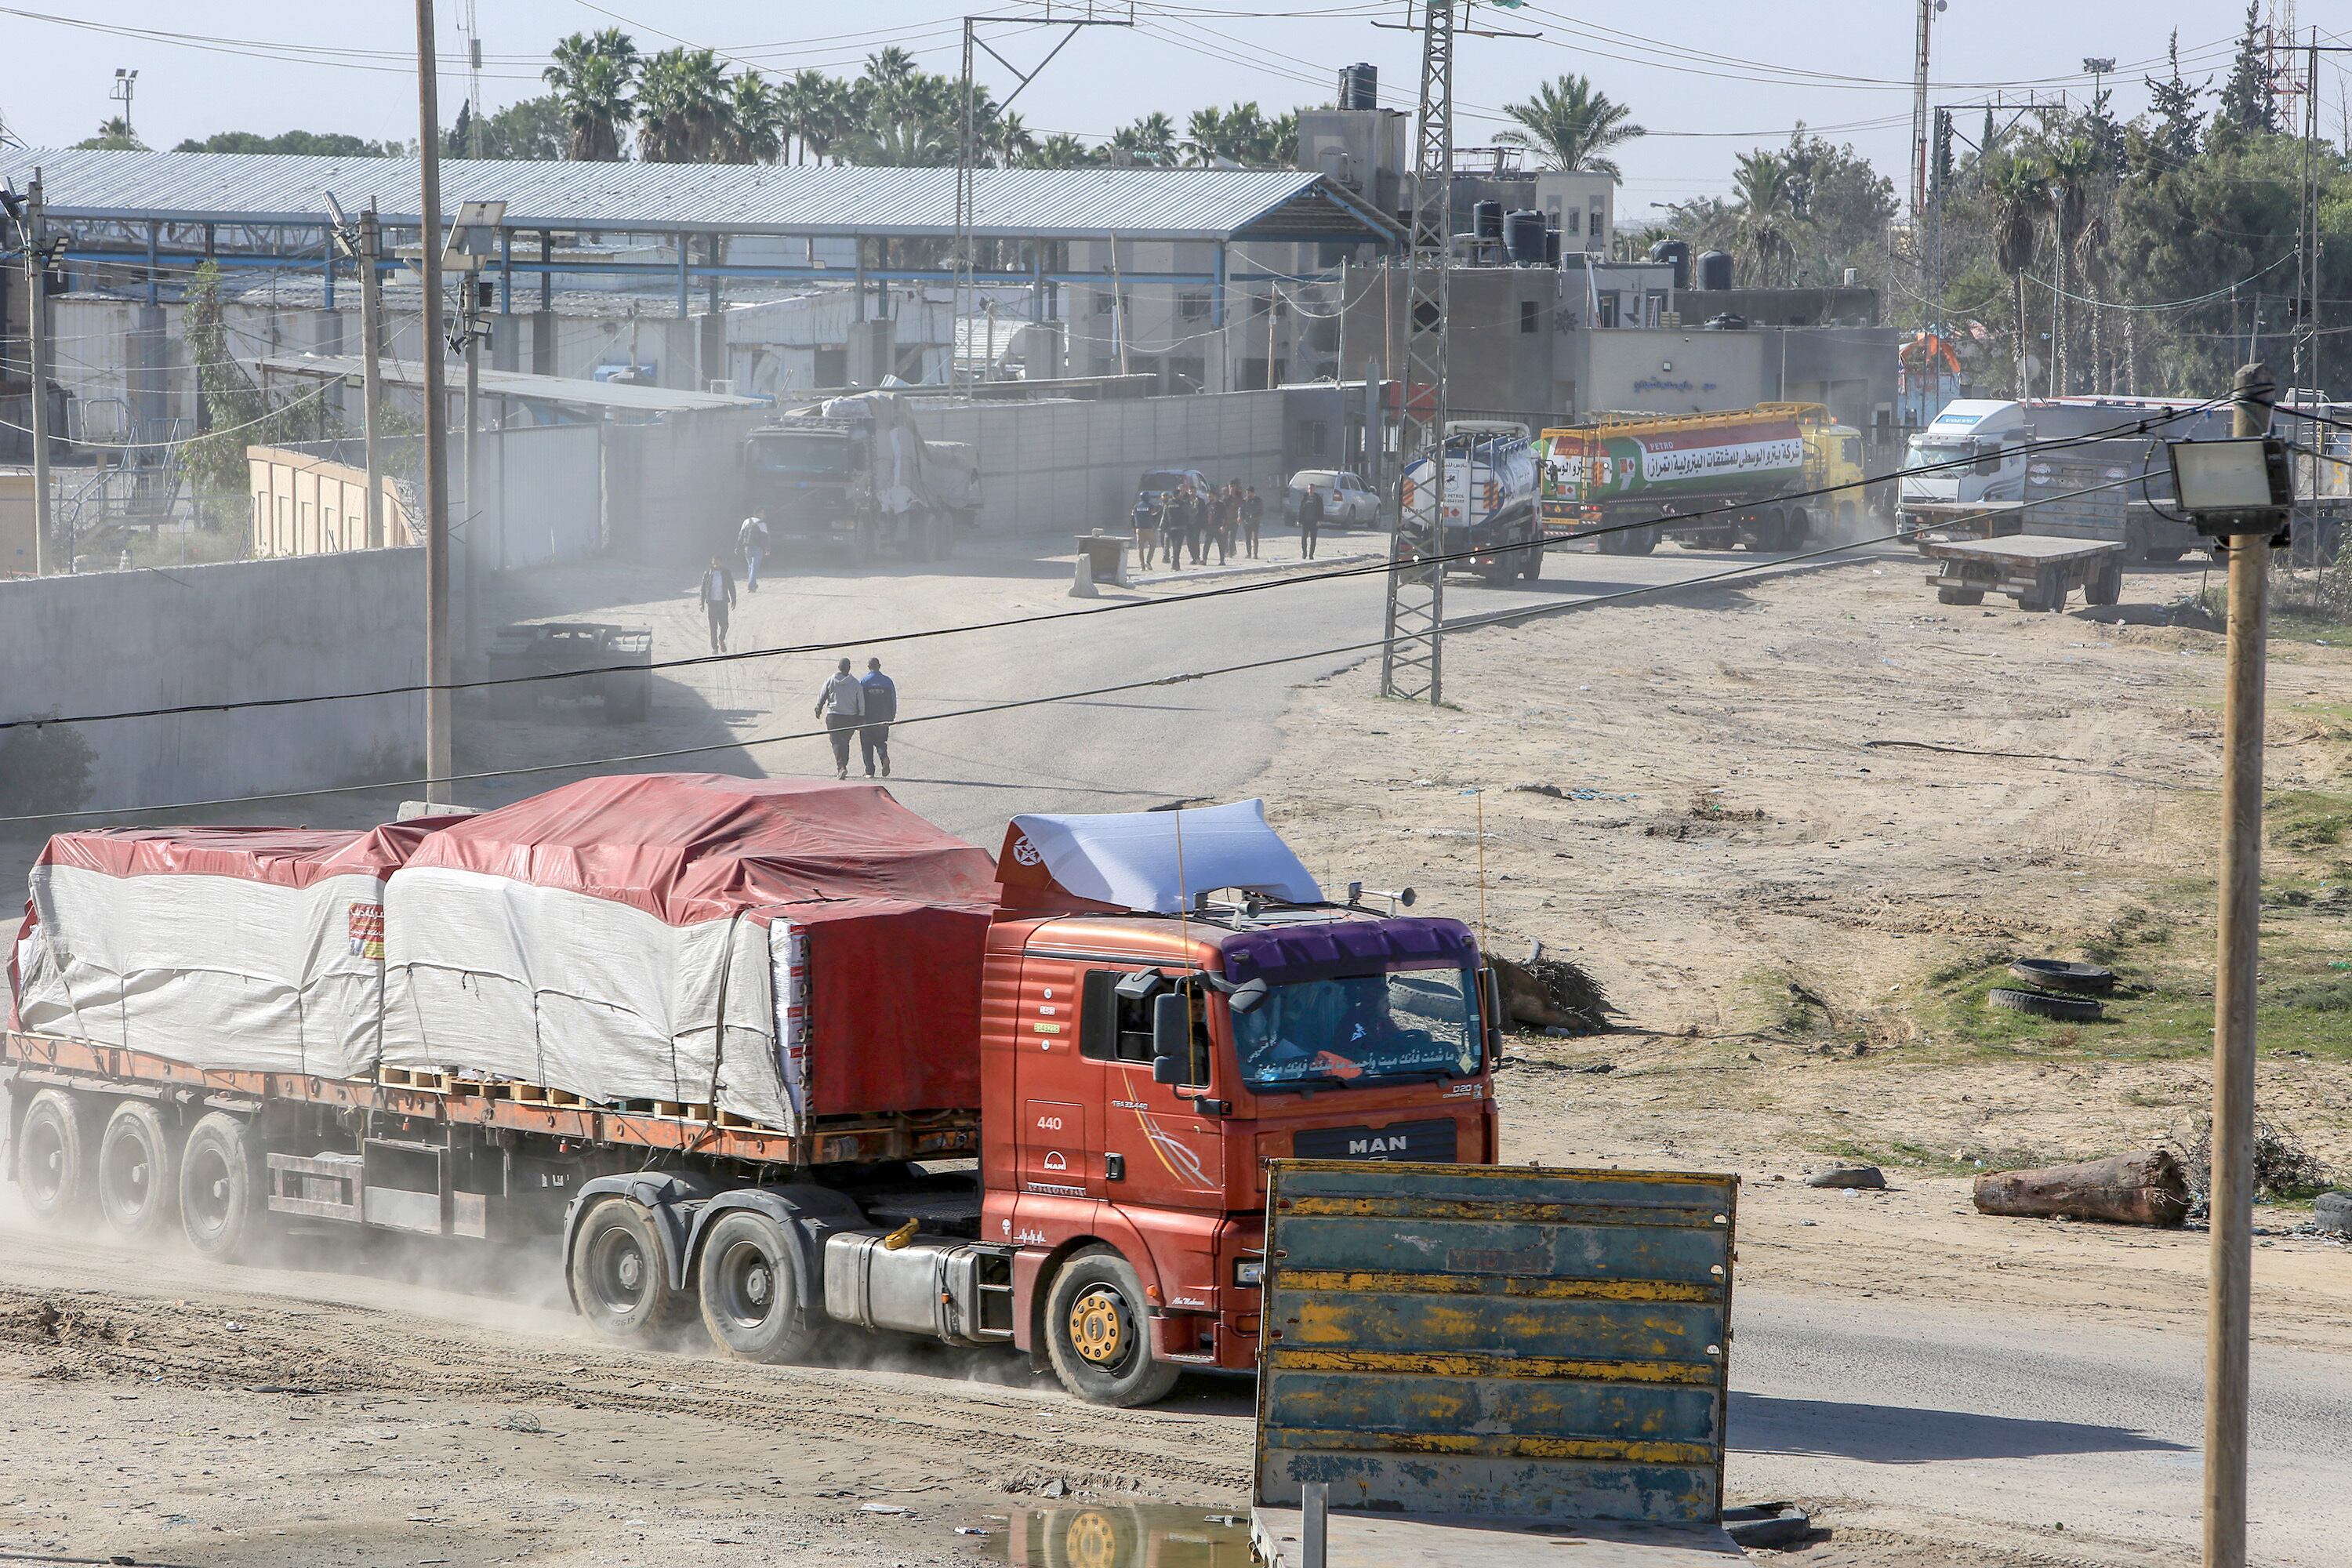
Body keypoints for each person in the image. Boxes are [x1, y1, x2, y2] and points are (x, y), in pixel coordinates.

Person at [813, 657, 866, 779]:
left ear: (838, 668)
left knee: (836, 742)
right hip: (850, 718)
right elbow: (861, 702)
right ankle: (843, 766)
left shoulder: (831, 680)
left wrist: (818, 709)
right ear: (849, 668)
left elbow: (822, 696)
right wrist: (861, 717)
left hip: (834, 717)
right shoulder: (855, 683)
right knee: (845, 742)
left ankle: (841, 767)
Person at [857, 655, 897, 779]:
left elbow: (860, 701)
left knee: (866, 744)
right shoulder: (888, 681)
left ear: (869, 667)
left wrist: (859, 719)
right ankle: (884, 757)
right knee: (880, 741)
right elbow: (893, 700)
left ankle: (870, 771)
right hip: (883, 718)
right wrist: (891, 716)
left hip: (868, 719)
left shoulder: (863, 682)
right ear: (879, 666)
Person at [699, 554, 737, 652]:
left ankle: (721, 639)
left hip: (723, 603)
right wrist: (701, 602)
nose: (716, 565)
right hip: (712, 604)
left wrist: (734, 599)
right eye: (714, 563)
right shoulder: (707, 573)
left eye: (718, 563)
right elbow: (703, 589)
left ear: (721, 563)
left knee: (725, 625)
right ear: (712, 563)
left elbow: (731, 587)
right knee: (713, 626)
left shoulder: (726, 573)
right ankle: (714, 647)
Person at [738, 514, 770, 592]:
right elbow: (766, 536)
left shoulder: (746, 521)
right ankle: (751, 586)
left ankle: (753, 584)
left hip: (747, 548)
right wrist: (767, 548)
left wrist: (738, 547)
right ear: (759, 513)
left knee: (750, 566)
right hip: (758, 548)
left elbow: (741, 534)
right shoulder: (762, 523)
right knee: (754, 567)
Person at [1133, 490, 1163, 575]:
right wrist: (1159, 508)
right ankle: (1148, 561)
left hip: (1139, 529)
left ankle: (1142, 566)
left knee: (1140, 548)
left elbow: (1133, 515)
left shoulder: (1136, 506)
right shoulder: (1150, 506)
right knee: (1153, 545)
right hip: (1148, 529)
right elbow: (1153, 513)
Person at [1297, 480, 1324, 560]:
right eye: (1309, 489)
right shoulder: (1305, 498)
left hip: (1314, 522)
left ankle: (1311, 554)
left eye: (1312, 489)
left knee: (1313, 539)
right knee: (1304, 538)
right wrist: (1299, 520)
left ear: (1314, 489)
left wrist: (1320, 520)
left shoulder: (1318, 499)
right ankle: (1304, 553)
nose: (1310, 490)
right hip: (1305, 522)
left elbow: (1321, 510)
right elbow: (1301, 510)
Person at [1242, 484, 1264, 558]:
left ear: (1253, 493)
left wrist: (1255, 516)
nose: (1248, 494)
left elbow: (1261, 512)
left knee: (1255, 538)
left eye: (1249, 493)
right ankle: (1249, 553)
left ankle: (1255, 553)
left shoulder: (1258, 500)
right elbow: (1241, 510)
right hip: (1247, 522)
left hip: (1255, 522)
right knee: (1247, 539)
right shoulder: (1245, 501)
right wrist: (1240, 517)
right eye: (1247, 493)